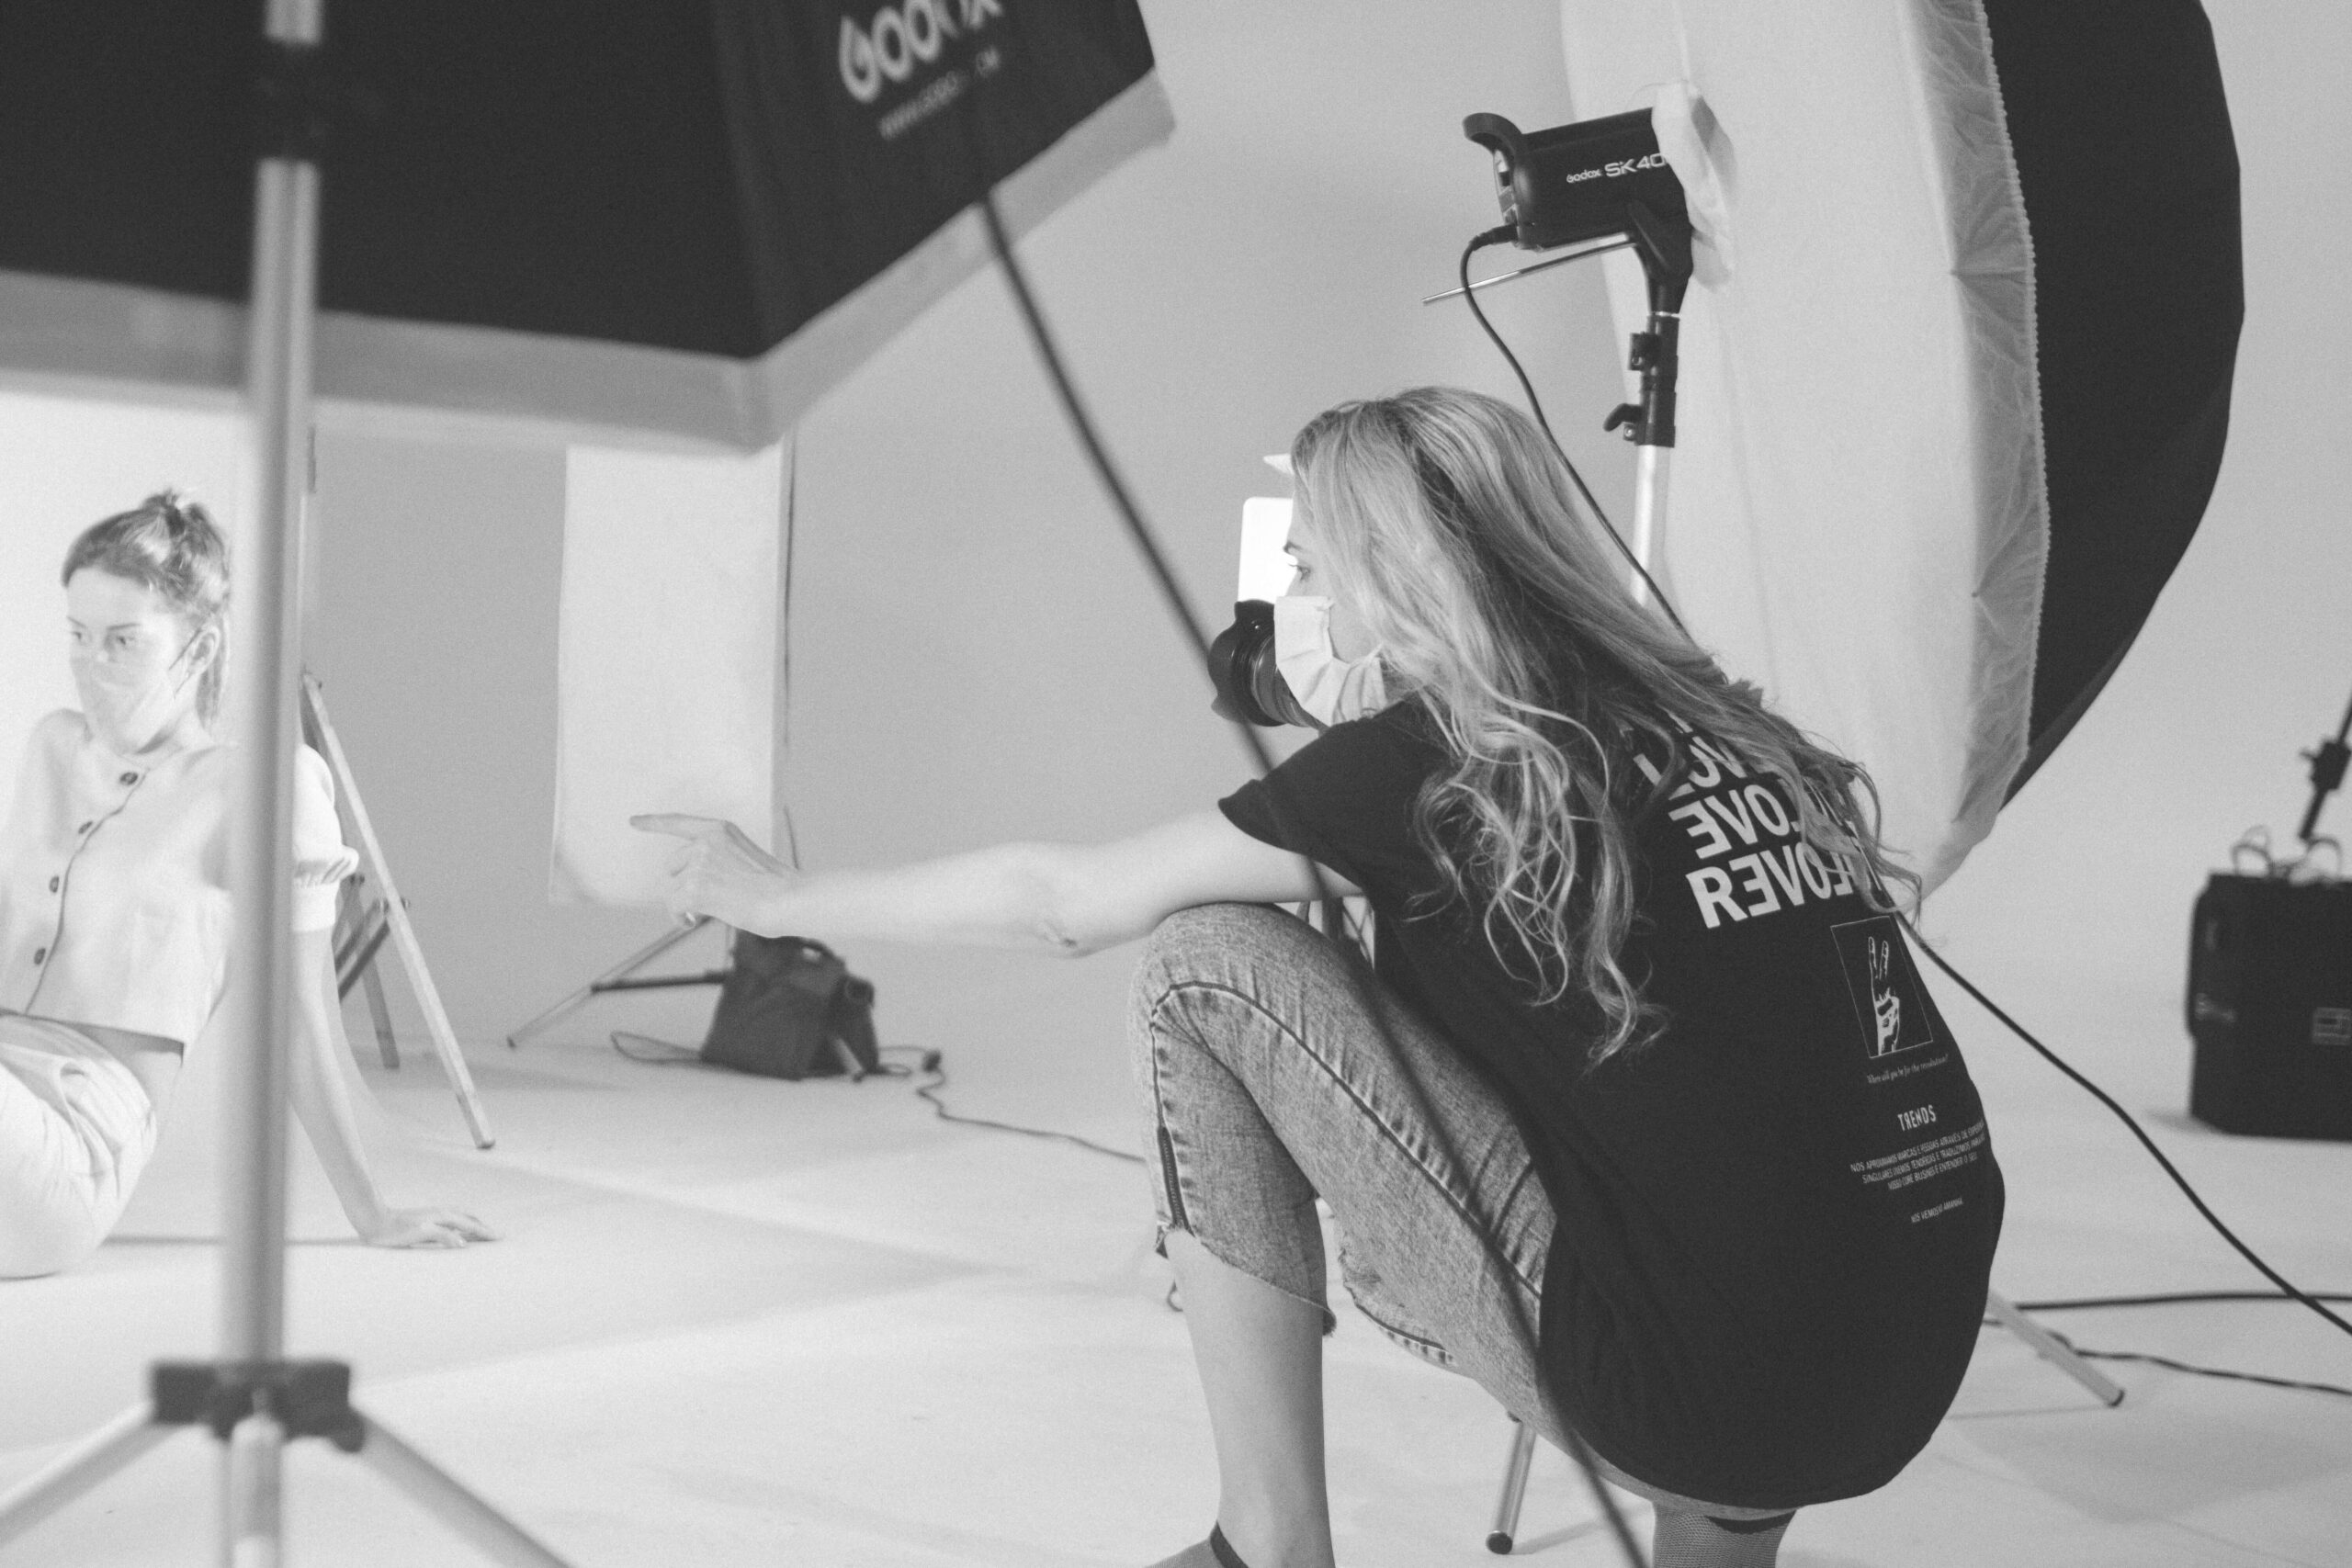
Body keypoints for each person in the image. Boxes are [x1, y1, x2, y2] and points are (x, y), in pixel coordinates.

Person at [637, 387, 2002, 1568]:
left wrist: (774, 895)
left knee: (1200, 965)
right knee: (1719, 1141)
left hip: (1687, 1391)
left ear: (1389, 571)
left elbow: (1066, 904)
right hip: (1902, 1357)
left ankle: (1264, 1542)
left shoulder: (1439, 759)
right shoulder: (1726, 721)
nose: (1310, 602)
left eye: (1315, 565)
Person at [0, 492, 493, 1279]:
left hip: (68, 1146)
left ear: (198, 649)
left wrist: (373, 1212)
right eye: (79, 636)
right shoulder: (51, 748)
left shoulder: (267, 786)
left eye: (123, 641)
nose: (93, 664)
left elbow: (298, 1021)